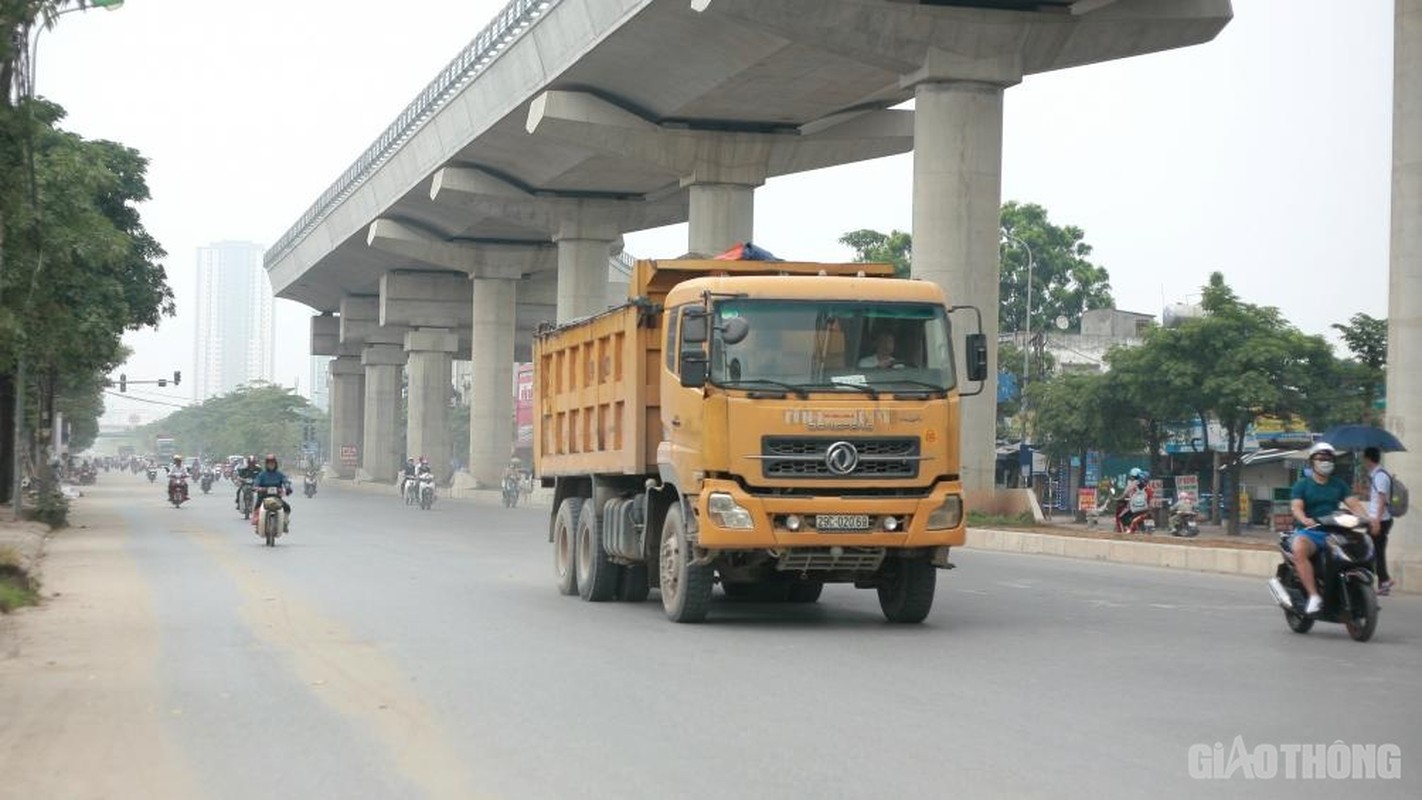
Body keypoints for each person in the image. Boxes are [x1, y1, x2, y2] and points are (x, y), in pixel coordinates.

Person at [1289, 442, 1372, 615]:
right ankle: (1314, 596)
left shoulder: (1339, 484)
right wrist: (1304, 519)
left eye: (1329, 458)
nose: (1325, 462)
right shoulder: (1302, 485)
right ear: (1312, 461)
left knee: (1360, 545)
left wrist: (1366, 519)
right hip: (1312, 532)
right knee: (1299, 548)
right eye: (1321, 458)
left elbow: (1354, 504)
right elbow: (1296, 507)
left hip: (1335, 531)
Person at [1362, 446, 1394, 596]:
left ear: (1368, 459)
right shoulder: (1377, 475)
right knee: (1377, 551)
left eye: (1364, 458)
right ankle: (1384, 583)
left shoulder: (1380, 476)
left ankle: (1384, 580)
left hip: (1379, 520)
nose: (1363, 461)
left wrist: (1377, 522)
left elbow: (1381, 500)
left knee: (1371, 550)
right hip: (1379, 519)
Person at [252, 453, 292, 532]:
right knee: (257, 507)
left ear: (275, 464)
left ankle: (284, 523)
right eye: (269, 463)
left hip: (276, 498)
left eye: (272, 463)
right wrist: (256, 487)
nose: (271, 465)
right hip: (263, 497)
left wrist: (287, 487)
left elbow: (285, 481)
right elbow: (256, 482)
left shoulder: (279, 474)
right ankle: (257, 524)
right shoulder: (262, 475)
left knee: (287, 508)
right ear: (266, 464)